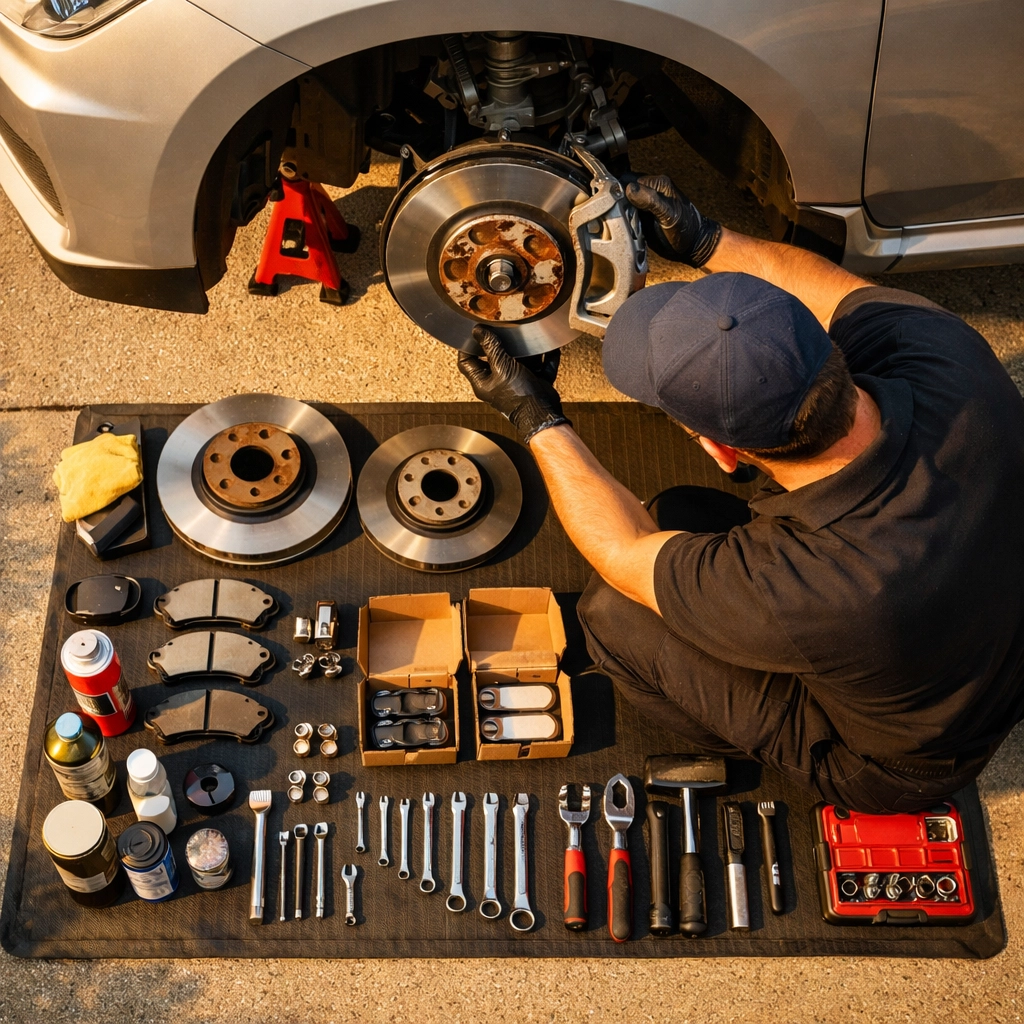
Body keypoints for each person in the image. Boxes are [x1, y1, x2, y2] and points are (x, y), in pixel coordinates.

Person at [457, 174, 1024, 813]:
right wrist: (704, 238)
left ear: (720, 449)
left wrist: (535, 418)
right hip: (980, 638)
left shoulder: (810, 588)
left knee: (613, 613)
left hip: (903, 765)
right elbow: (831, 289)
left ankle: (759, 751)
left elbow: (619, 549)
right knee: (684, 517)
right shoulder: (948, 356)